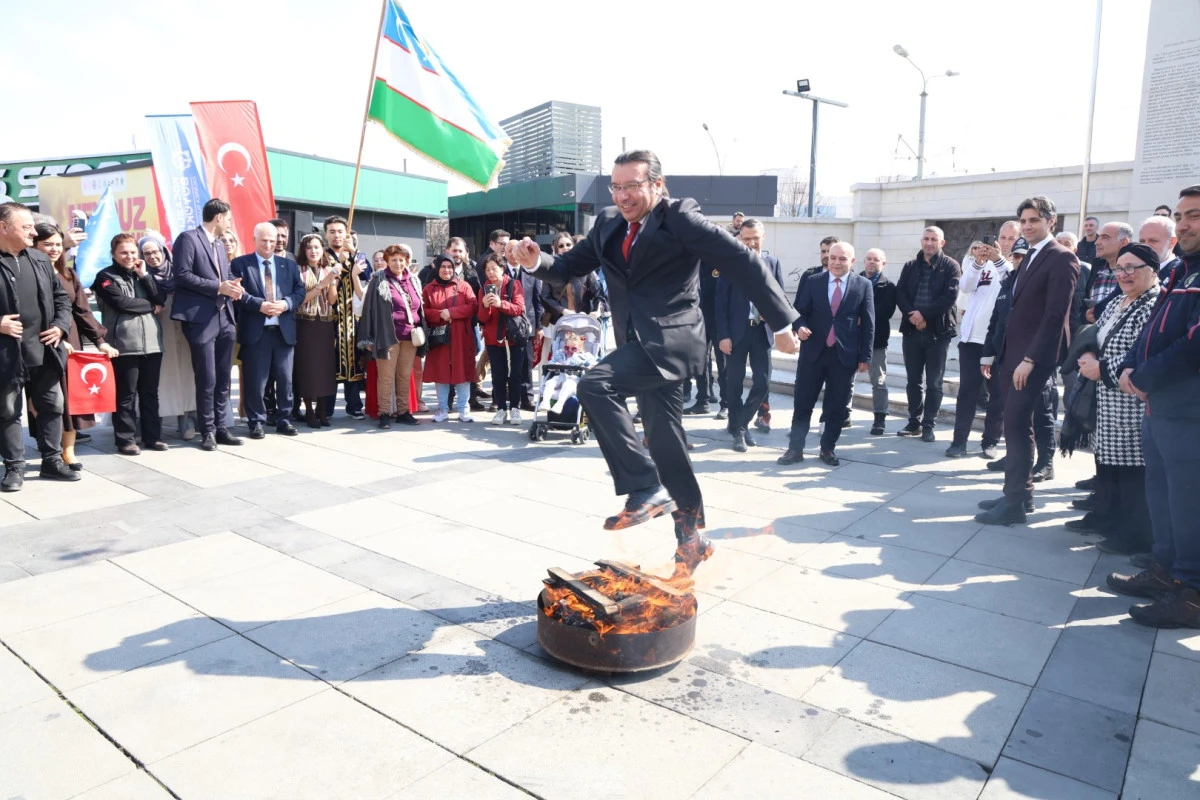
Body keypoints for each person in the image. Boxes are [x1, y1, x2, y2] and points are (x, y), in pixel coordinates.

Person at [508, 149, 798, 573]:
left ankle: (644, 486)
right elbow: (568, 266)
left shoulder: (680, 217)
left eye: (632, 186)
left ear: (657, 185)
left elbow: (741, 260)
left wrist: (781, 323)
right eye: (616, 186)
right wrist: (535, 260)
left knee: (593, 384)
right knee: (666, 443)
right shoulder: (608, 222)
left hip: (672, 342)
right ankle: (692, 537)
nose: (623, 196)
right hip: (636, 343)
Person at [1107, 186, 1200, 627]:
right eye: (1180, 215)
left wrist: (1142, 377)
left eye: (1194, 215)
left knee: (1190, 504)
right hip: (1160, 409)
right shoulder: (1181, 269)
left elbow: (1194, 345)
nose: (1183, 224)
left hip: (1189, 412)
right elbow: (1151, 332)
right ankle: (1167, 573)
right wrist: (1130, 365)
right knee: (1163, 499)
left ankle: (1192, 593)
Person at [975, 196, 1079, 526]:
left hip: (1032, 358)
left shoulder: (1061, 258)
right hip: (1012, 353)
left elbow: (1054, 316)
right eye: (1024, 220)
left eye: (1034, 219)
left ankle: (1015, 502)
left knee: (1016, 425)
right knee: (1019, 425)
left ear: (1051, 221)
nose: (1028, 225)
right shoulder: (1030, 256)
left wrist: (1030, 359)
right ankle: (1020, 493)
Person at [1067, 243, 1160, 556]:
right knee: (1110, 468)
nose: (1124, 274)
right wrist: (1088, 354)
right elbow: (1095, 333)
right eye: (1120, 268)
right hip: (1106, 400)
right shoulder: (1119, 300)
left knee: (1132, 473)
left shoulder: (1153, 303)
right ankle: (1108, 520)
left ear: (1152, 269)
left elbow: (1141, 352)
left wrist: (1101, 367)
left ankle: (1133, 535)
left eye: (1132, 267)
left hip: (1130, 402)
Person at [0, 203, 77, 490]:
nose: (34, 232)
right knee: (7, 411)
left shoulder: (40, 259)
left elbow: (61, 299)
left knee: (52, 406)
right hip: (6, 355)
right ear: (3, 228)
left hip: (43, 349)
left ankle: (52, 461)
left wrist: (59, 325)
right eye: (27, 227)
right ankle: (14, 468)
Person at [778, 242, 873, 467]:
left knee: (836, 406)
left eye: (842, 259)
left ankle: (827, 448)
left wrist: (865, 356)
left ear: (852, 261)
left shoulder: (863, 285)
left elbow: (869, 323)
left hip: (844, 354)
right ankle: (795, 449)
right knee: (803, 403)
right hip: (813, 352)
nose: (836, 263)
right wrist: (799, 327)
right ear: (827, 259)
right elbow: (798, 312)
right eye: (833, 258)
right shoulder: (813, 281)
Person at [33, 223, 117, 469]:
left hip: (70, 342)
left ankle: (68, 452)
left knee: (71, 401)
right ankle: (50, 449)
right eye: (47, 244)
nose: (53, 249)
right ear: (35, 245)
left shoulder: (69, 274)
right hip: (39, 345)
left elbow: (82, 311)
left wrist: (100, 342)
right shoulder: (27, 273)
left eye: (58, 244)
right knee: (46, 401)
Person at [171, 198, 244, 452]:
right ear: (219, 217)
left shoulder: (219, 244)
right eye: (229, 218)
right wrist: (218, 287)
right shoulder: (188, 239)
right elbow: (181, 275)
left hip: (225, 317)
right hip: (201, 320)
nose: (230, 223)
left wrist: (233, 284)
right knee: (207, 378)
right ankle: (208, 430)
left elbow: (223, 277)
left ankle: (222, 428)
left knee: (224, 377)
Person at [92, 233, 168, 455]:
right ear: (113, 254)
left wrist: (145, 275)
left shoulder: (143, 274)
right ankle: (126, 439)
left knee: (150, 393)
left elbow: (161, 299)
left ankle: (153, 436)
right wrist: (151, 306)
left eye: (133, 252)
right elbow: (122, 303)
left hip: (152, 343)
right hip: (123, 344)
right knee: (126, 395)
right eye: (124, 252)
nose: (129, 256)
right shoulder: (104, 277)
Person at [230, 222, 304, 439]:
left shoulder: (288, 265)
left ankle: (284, 419)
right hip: (256, 333)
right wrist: (259, 304)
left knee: (285, 380)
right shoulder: (240, 264)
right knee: (256, 381)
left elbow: (300, 291)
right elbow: (237, 293)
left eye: (273, 240)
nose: (269, 244)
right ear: (254, 240)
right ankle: (256, 422)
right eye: (264, 240)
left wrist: (286, 303)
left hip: (283, 332)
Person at [715, 219, 782, 451]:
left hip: (762, 332)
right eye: (746, 239)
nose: (752, 242)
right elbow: (720, 303)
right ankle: (737, 430)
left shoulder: (773, 263)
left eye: (755, 237)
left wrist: (781, 328)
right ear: (740, 239)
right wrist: (723, 335)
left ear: (763, 236)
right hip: (735, 334)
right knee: (733, 382)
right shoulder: (730, 264)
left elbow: (779, 298)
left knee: (763, 382)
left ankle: (741, 424)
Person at [945, 238, 1011, 458]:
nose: (1005, 242)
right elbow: (965, 286)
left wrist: (999, 260)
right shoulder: (984, 266)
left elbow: (1011, 282)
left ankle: (990, 441)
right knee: (967, 392)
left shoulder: (1017, 266)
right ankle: (959, 441)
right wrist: (978, 262)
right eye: (1002, 237)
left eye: (1011, 238)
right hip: (972, 339)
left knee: (998, 395)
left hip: (999, 341)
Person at [895, 226, 961, 442]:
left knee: (934, 382)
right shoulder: (910, 266)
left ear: (942, 243)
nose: (929, 243)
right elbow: (901, 293)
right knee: (913, 381)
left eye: (934, 239)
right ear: (921, 241)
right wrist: (913, 316)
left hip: (938, 333)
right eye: (926, 238)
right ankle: (914, 421)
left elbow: (948, 298)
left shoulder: (951, 266)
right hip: (912, 333)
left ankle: (928, 424)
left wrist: (924, 315)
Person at [358, 244, 423, 428]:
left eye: (401, 260)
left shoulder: (413, 280)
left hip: (410, 336)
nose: (398, 263)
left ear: (407, 261)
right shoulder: (378, 280)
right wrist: (369, 338)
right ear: (387, 261)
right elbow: (368, 310)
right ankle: (384, 412)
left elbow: (419, 307)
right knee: (385, 377)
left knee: (403, 375)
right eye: (393, 260)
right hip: (387, 336)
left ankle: (403, 412)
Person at [140, 234, 197, 441]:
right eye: (147, 253)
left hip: (183, 329)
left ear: (163, 251)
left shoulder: (179, 273)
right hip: (159, 333)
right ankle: (155, 423)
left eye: (156, 251)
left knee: (187, 375)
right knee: (162, 379)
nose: (153, 257)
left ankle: (188, 422)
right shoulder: (141, 276)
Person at [322, 215, 370, 421]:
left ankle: (354, 404)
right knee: (329, 364)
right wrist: (339, 267)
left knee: (354, 363)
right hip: (329, 318)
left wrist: (353, 254)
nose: (336, 235)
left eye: (340, 231)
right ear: (326, 234)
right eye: (332, 231)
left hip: (353, 319)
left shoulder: (358, 256)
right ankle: (327, 407)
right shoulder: (322, 256)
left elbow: (368, 280)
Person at [422, 255, 478, 423]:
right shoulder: (429, 289)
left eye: (450, 267)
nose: (447, 270)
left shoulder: (464, 286)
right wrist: (441, 314)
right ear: (437, 268)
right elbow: (423, 310)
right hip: (440, 337)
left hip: (462, 336)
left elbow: (473, 306)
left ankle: (463, 408)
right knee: (441, 372)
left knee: (462, 371)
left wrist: (452, 312)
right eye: (443, 266)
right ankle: (442, 408)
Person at [293, 234, 339, 427]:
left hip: (325, 323)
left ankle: (322, 409)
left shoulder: (328, 269)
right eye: (309, 247)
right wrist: (321, 284)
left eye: (317, 247)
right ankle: (309, 411)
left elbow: (332, 300)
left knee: (324, 368)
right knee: (307, 368)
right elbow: (299, 299)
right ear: (304, 250)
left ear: (323, 250)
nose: (313, 251)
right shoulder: (297, 270)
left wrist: (333, 282)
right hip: (305, 323)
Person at [476, 252, 527, 425]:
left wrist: (501, 304)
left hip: (513, 337)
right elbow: (482, 319)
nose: (491, 273)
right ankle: (500, 409)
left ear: (502, 269)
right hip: (493, 339)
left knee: (515, 375)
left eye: (494, 268)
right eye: (487, 270)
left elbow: (519, 308)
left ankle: (515, 408)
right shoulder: (483, 288)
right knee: (498, 375)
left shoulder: (514, 284)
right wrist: (484, 305)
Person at [858, 248, 897, 436]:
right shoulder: (853, 280)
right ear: (863, 261)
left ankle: (880, 418)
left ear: (883, 263)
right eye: (869, 259)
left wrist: (860, 317)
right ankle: (844, 414)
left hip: (877, 340)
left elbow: (884, 313)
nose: (872, 262)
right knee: (846, 380)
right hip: (852, 339)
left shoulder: (889, 287)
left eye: (876, 259)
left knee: (879, 381)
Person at [1084, 221, 1133, 323]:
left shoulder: (1135, 271)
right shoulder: (1097, 267)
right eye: (1099, 237)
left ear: (1123, 242)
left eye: (1105, 237)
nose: (1097, 242)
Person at [1138, 215, 1180, 282]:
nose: (1145, 246)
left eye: (1153, 241)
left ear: (1172, 242)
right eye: (1142, 241)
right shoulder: (1131, 271)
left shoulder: (1182, 273)